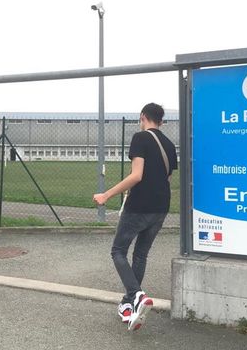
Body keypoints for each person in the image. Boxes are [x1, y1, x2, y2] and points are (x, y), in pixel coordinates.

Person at [93, 103, 178, 331]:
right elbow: (167, 179)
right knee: (140, 254)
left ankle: (136, 295)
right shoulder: (169, 145)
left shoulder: (140, 138)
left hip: (139, 206)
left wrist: (106, 194)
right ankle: (129, 304)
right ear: (161, 120)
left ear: (143, 117)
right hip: (161, 208)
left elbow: (137, 175)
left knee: (118, 251)